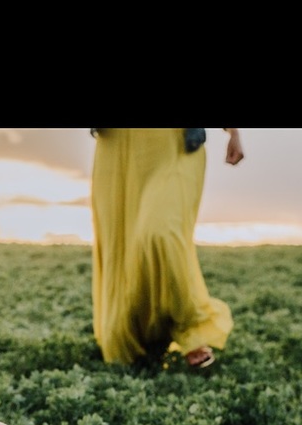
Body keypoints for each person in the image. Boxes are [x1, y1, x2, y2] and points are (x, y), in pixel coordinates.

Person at [90, 128, 244, 371]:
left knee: (159, 233)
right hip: (118, 145)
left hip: (174, 145)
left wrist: (233, 132)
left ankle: (190, 328)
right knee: (121, 245)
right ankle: (137, 333)